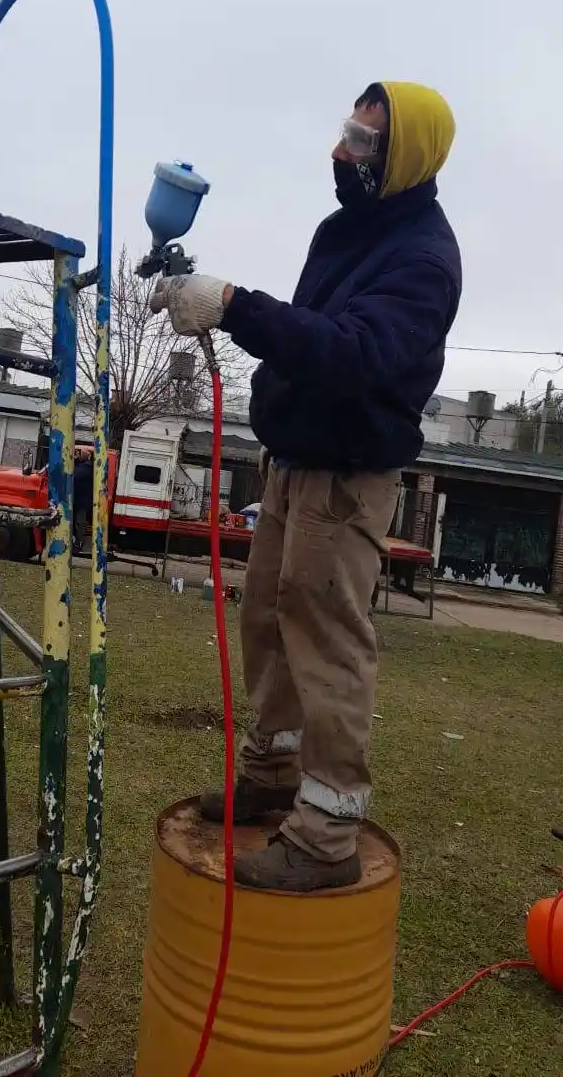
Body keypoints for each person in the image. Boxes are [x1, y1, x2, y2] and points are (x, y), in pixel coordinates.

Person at [150, 81, 462, 892]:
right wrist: (230, 310)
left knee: (326, 644)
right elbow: (312, 335)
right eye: (346, 133)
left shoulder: (422, 259)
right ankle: (274, 774)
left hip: (345, 477)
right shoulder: (349, 229)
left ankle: (324, 832)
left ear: (403, 159)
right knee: (269, 623)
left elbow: (353, 353)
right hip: (293, 466)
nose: (340, 152)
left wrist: (232, 306)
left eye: (363, 143)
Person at [73, 444, 94, 549]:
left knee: (80, 523)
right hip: (81, 501)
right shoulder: (86, 467)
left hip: (81, 502)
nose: (76, 455)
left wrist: (74, 460)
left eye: (78, 454)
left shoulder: (85, 469)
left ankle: (78, 543)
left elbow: (74, 475)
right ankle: (77, 541)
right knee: (78, 522)